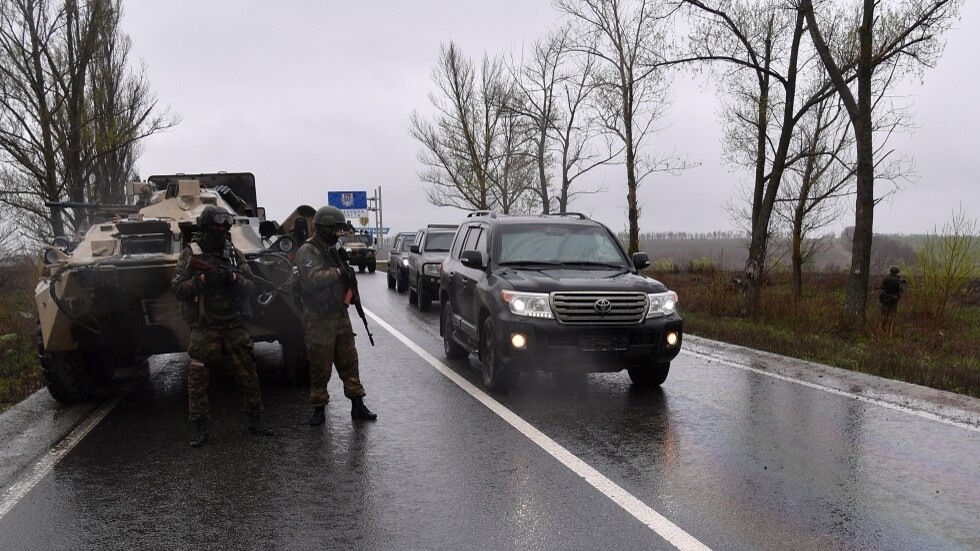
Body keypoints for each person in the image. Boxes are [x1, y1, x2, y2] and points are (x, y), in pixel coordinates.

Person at [171, 205, 275, 447]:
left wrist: (234, 278)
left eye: (224, 228)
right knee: (197, 378)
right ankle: (200, 427)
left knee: (248, 372)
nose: (221, 232)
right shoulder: (190, 254)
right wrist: (203, 280)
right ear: (205, 229)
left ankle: (255, 419)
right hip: (204, 326)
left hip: (233, 323)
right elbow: (178, 288)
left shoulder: (233, 255)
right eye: (216, 228)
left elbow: (251, 285)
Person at [295, 205, 377, 426]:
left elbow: (347, 277)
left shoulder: (335, 248)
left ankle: (357, 404)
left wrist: (353, 297)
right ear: (324, 228)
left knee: (349, 361)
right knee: (320, 366)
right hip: (318, 318)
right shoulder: (308, 251)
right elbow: (313, 278)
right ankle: (319, 408)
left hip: (339, 315)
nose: (339, 233)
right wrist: (340, 272)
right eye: (336, 229)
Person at [879, 265, 907, 334]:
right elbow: (901, 290)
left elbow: (882, 287)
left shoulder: (886, 279)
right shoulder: (898, 280)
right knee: (892, 315)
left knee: (883, 315)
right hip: (893, 299)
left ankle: (882, 329)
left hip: (885, 298)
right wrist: (903, 283)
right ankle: (890, 330)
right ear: (897, 272)